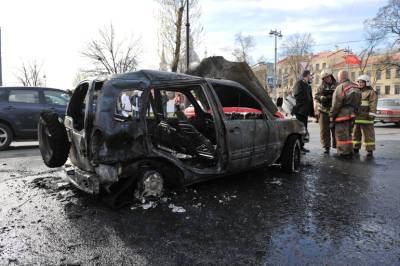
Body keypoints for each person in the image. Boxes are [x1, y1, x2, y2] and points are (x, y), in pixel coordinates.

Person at [330, 70, 361, 158]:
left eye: (338, 77)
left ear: (341, 77)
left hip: (342, 115)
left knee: (341, 135)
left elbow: (336, 104)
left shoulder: (340, 87)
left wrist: (332, 115)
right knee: (348, 133)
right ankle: (349, 151)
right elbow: (359, 102)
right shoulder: (356, 86)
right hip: (353, 115)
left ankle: (343, 153)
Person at [353, 75, 378, 157]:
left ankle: (369, 150)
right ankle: (355, 148)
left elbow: (373, 104)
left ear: (366, 83)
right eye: (359, 82)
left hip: (367, 117)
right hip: (356, 117)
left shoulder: (371, 92)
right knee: (355, 134)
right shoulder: (356, 92)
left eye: (362, 82)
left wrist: (372, 114)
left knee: (368, 135)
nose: (360, 83)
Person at [314, 69, 337, 154]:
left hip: (334, 111)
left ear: (331, 76)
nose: (327, 78)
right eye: (325, 78)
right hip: (323, 111)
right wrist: (321, 98)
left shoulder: (337, 85)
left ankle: (337, 145)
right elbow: (316, 96)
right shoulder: (320, 87)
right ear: (323, 79)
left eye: (328, 76)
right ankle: (326, 147)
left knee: (335, 129)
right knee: (324, 130)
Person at [293, 70, 315, 152]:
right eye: (310, 75)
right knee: (300, 129)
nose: (311, 77)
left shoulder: (308, 85)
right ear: (307, 75)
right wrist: (304, 102)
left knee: (304, 129)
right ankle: (298, 147)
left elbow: (310, 99)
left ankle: (301, 146)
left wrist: (312, 112)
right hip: (300, 111)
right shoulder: (299, 83)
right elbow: (296, 94)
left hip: (305, 111)